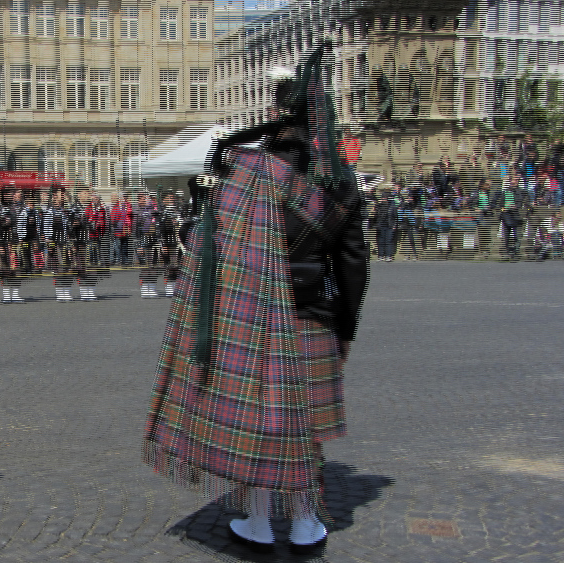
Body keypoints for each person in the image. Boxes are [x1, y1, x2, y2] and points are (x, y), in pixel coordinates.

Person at [142, 42, 368, 555]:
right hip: (314, 314)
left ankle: (260, 522)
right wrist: (346, 326)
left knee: (261, 422)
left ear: (276, 113)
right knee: (301, 422)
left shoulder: (247, 171)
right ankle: (309, 524)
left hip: (249, 317)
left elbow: (212, 254)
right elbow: (353, 263)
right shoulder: (341, 180)